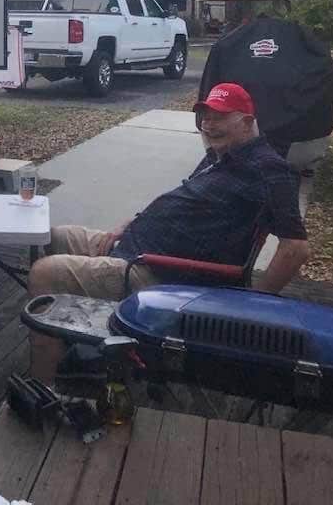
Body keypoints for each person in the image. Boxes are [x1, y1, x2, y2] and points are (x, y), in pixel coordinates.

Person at [28, 83, 309, 383]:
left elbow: (296, 249)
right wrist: (130, 222)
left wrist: (254, 305)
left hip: (161, 275)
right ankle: (72, 345)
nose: (209, 126)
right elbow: (179, 200)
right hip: (134, 245)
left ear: (247, 122)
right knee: (51, 236)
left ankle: (44, 389)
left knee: (45, 272)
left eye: (219, 117)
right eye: (205, 117)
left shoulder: (269, 170)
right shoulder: (222, 154)